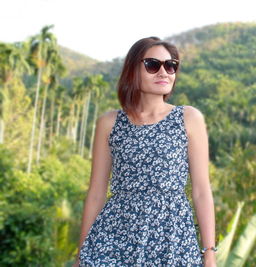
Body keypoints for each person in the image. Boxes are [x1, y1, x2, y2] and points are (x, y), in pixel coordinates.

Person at [72, 36, 217, 266]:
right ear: (132, 70)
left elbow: (201, 191)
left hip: (172, 240)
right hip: (113, 238)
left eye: (171, 66)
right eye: (152, 65)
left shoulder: (188, 118)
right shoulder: (109, 122)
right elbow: (97, 193)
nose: (164, 72)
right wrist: (81, 254)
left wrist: (209, 253)